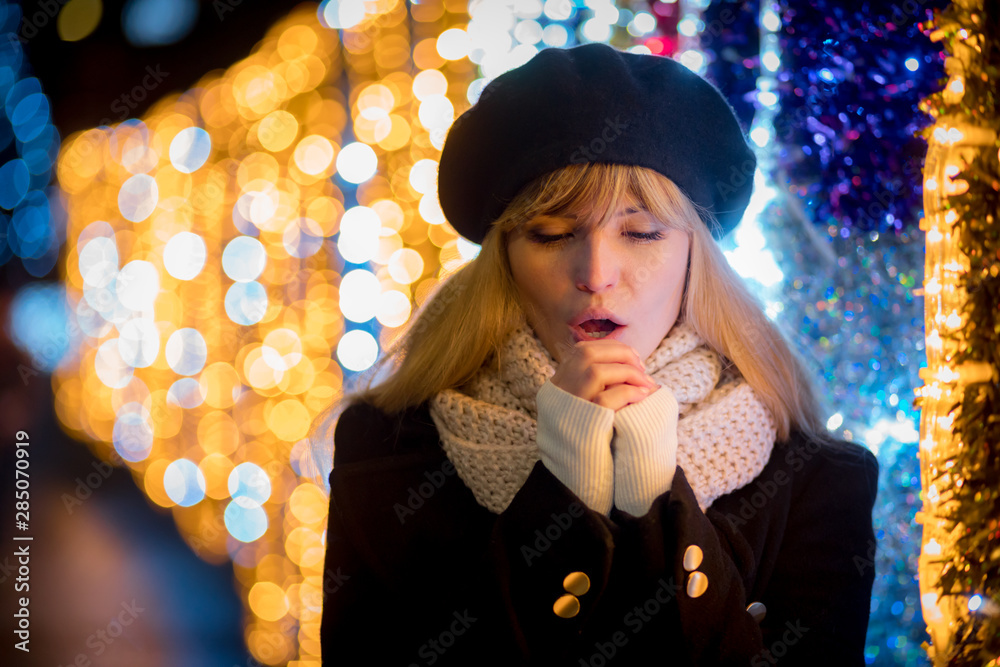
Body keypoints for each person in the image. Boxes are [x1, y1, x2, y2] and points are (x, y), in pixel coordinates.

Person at [317, 43, 877, 666]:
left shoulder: (820, 478)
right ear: (504, 259)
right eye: (552, 234)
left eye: (642, 233)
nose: (596, 272)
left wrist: (657, 507)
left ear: (697, 256)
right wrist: (559, 497)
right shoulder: (388, 449)